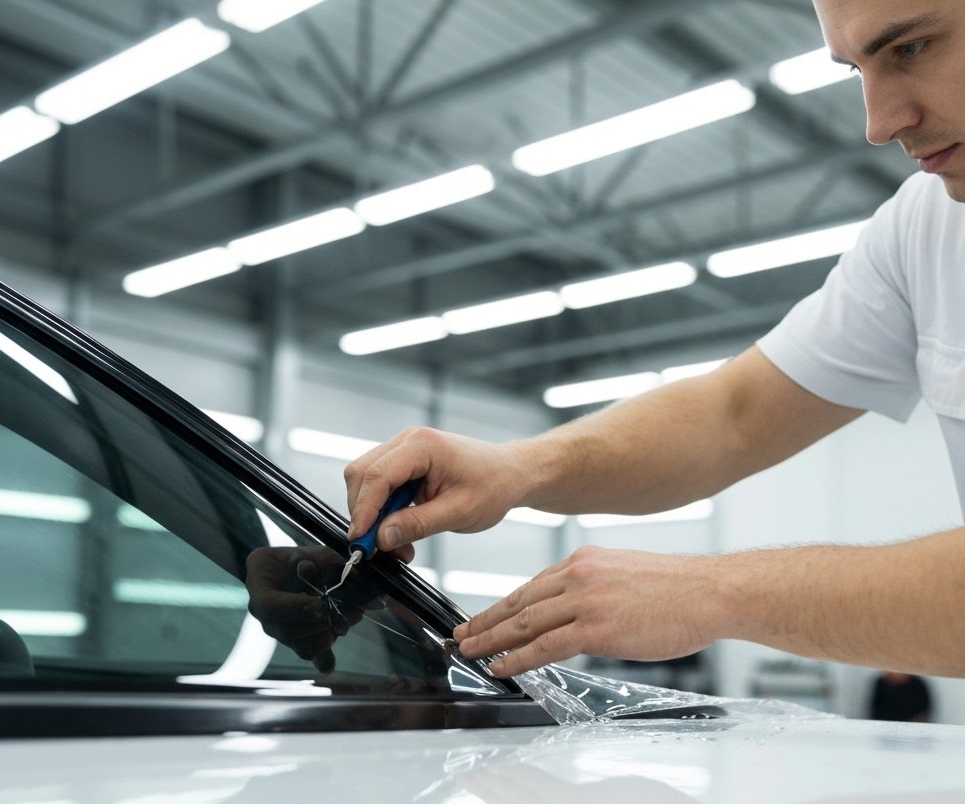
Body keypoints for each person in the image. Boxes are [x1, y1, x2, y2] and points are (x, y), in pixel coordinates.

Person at [343, 0, 965, 682]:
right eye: (856, 70)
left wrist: (713, 593)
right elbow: (734, 414)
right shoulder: (924, 229)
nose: (879, 125)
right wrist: (520, 468)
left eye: (911, 49)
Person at [869, 669, 934, 721]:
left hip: (911, 726)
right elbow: (875, 707)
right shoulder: (881, 683)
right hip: (884, 725)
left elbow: (924, 710)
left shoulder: (917, 684)